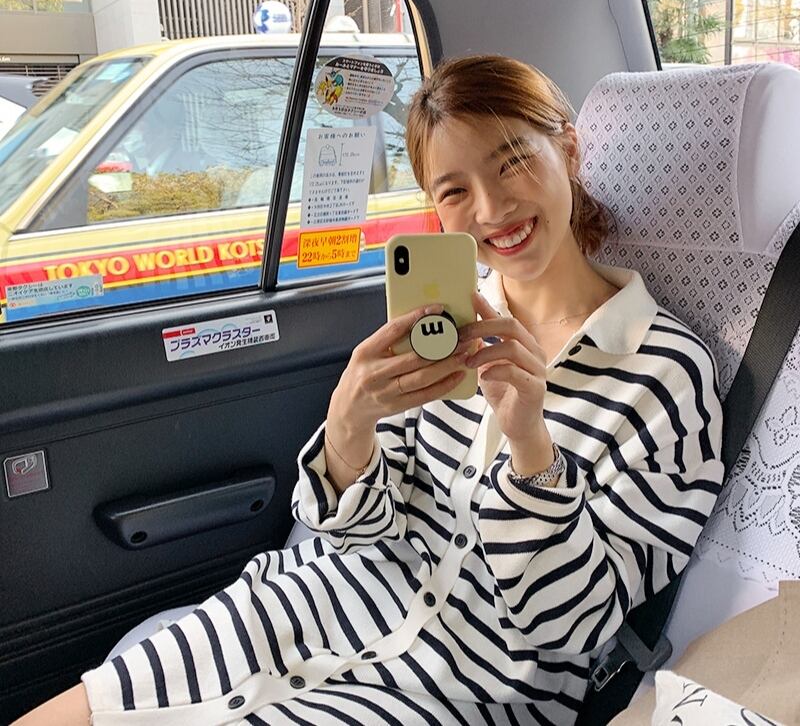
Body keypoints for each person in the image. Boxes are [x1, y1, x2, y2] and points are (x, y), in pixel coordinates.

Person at [13, 55, 725, 726]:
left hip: (468, 686)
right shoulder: (442, 321)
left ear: (567, 151)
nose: (491, 209)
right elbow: (360, 533)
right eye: (454, 191)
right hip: (308, 606)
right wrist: (349, 426)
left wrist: (531, 447)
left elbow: (573, 627)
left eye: (512, 161)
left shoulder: (666, 372)